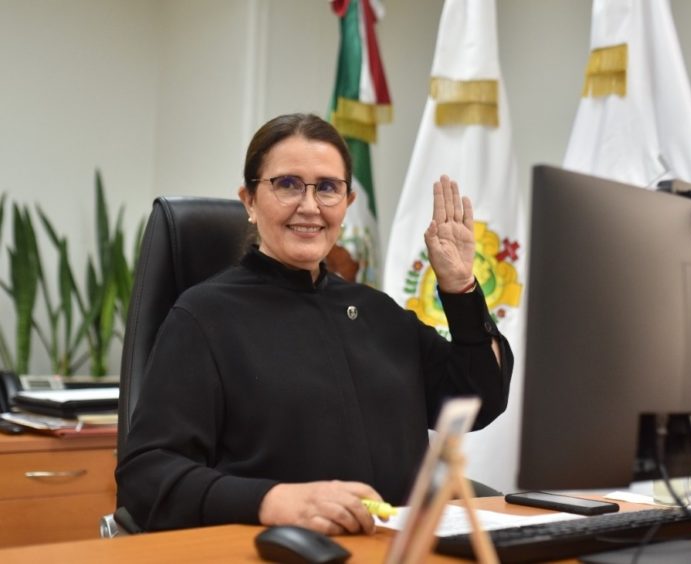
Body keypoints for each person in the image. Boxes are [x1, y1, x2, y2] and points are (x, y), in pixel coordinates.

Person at [115, 113, 513, 536]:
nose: (309, 206)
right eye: (287, 184)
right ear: (249, 201)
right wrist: (273, 501)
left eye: (327, 188)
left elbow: (478, 400)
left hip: (399, 548)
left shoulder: (378, 312)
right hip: (274, 549)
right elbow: (147, 476)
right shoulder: (203, 316)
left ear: (347, 203)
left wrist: (460, 287)